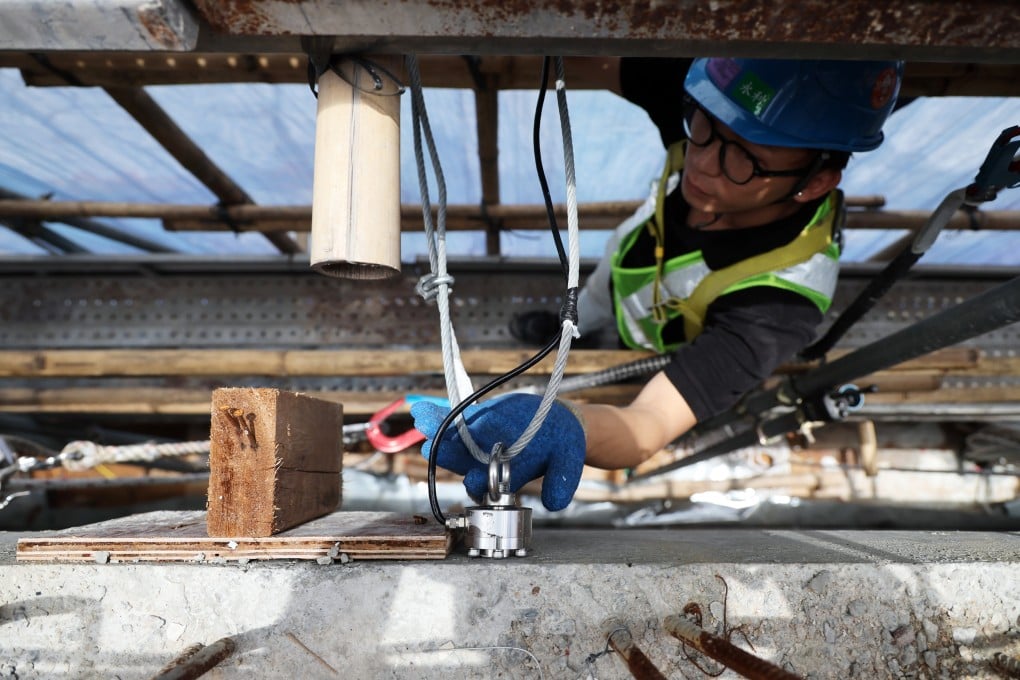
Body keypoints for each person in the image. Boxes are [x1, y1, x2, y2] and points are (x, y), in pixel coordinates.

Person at [412, 56, 904, 511]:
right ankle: (569, 324)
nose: (703, 163)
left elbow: (647, 423)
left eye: (744, 161)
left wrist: (568, 422)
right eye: (704, 128)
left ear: (814, 182)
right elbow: (601, 57)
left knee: (624, 362)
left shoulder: (779, 303)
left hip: (660, 346)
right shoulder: (724, 104)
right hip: (626, 276)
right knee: (585, 309)